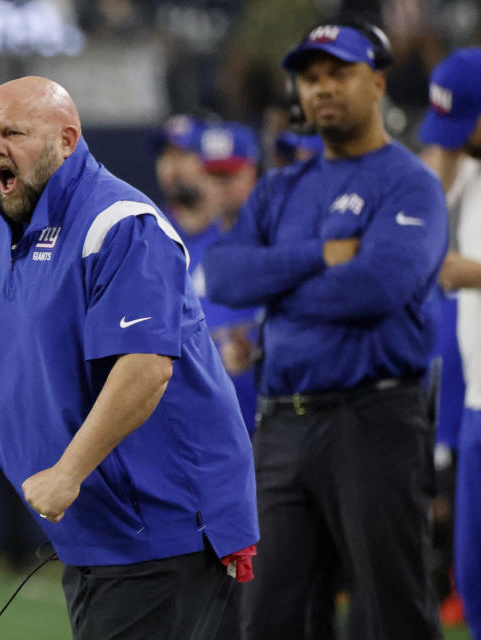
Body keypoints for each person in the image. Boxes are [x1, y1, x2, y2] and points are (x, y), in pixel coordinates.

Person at [0, 76, 258, 640]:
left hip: (165, 523)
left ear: (67, 140)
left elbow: (147, 367)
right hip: (95, 527)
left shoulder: (120, 225)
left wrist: (68, 472)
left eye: (13, 132)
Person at [204, 22, 447, 640]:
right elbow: (225, 276)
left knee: (391, 616)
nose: (322, 89)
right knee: (268, 619)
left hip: (374, 418)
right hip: (282, 425)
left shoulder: (409, 180)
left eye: (338, 73)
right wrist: (321, 255)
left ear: (377, 82)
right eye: (310, 79)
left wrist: (277, 294)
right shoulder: (283, 187)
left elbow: (377, 287)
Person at [419, 47, 481, 640]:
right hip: (474, 407)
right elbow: (427, 197)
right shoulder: (469, 168)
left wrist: (476, 274)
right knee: (472, 577)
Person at [196, 122, 262, 434]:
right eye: (213, 175)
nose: (220, 186)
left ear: (253, 172)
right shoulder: (184, 249)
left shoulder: (276, 247)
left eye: (230, 174)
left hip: (269, 421)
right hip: (208, 432)